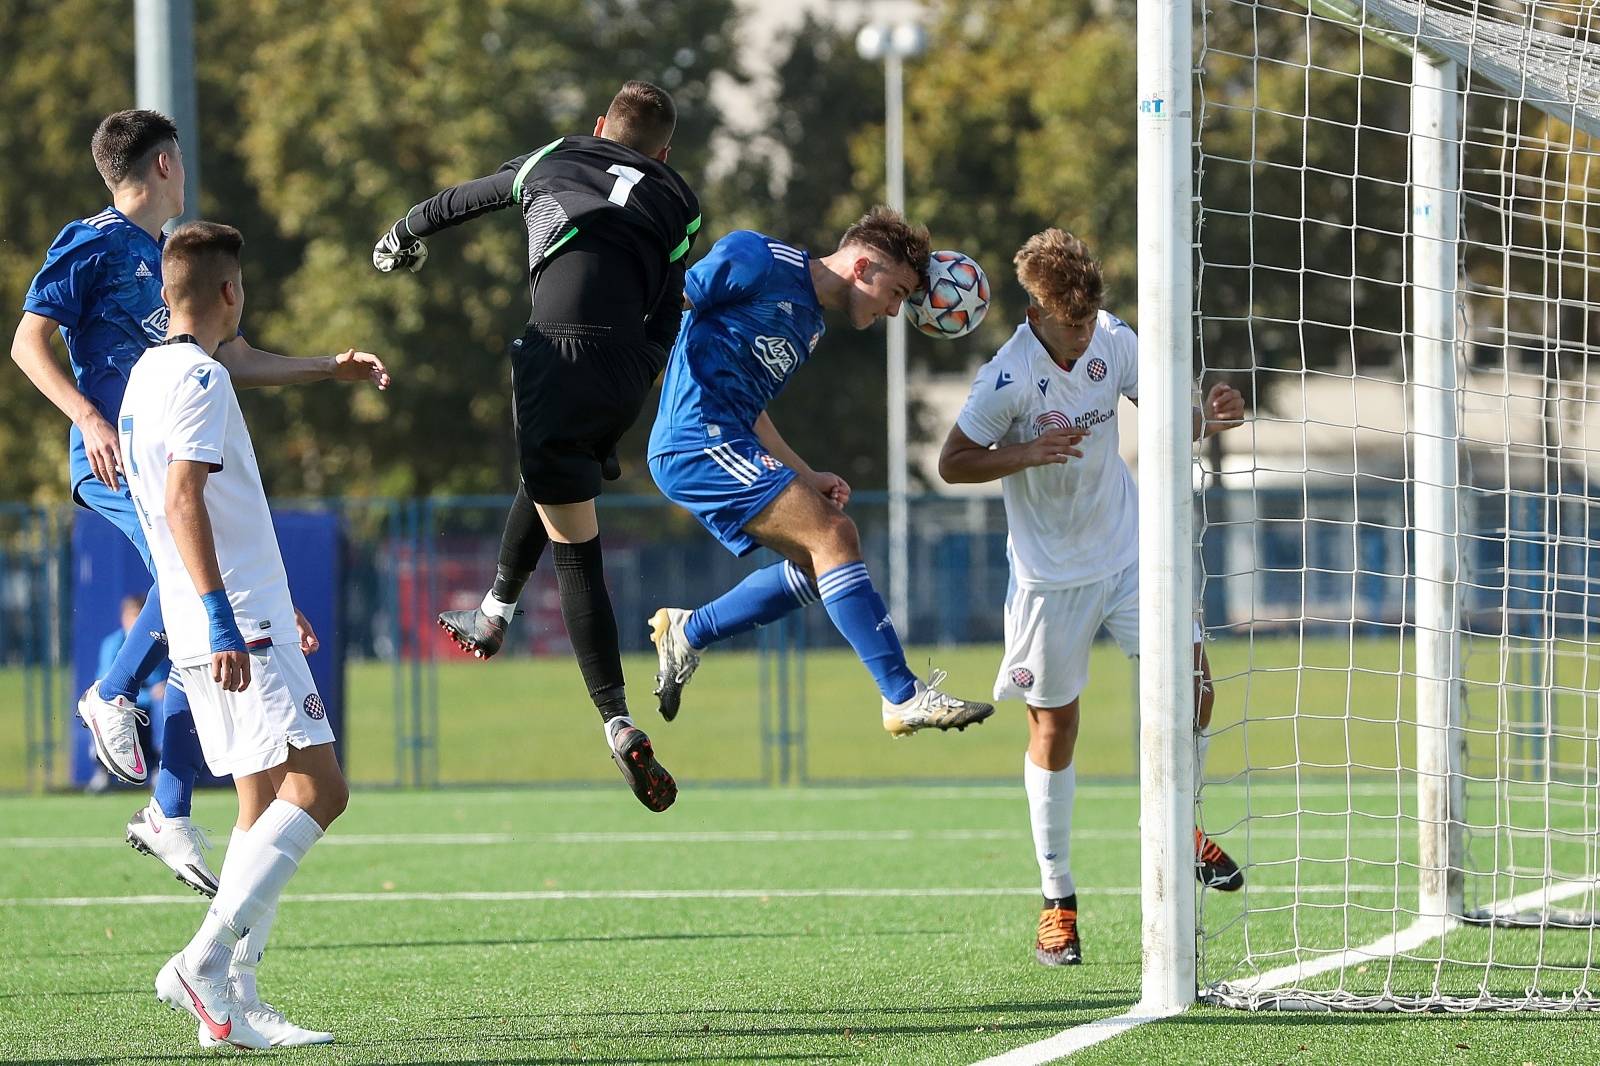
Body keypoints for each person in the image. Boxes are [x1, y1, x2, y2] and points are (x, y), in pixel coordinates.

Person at [10, 109, 388, 894]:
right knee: (188, 597)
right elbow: (26, 342)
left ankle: (169, 807)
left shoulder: (162, 260)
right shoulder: (91, 240)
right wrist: (88, 418)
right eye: (182, 160)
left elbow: (235, 355)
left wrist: (328, 368)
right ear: (164, 166)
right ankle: (111, 695)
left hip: (153, 455)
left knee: (194, 618)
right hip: (116, 459)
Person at [372, 80, 699, 812]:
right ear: (664, 151)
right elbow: (668, 306)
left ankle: (615, 720)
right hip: (623, 369)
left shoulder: (557, 154)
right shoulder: (680, 197)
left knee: (576, 547)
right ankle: (495, 612)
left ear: (598, 126)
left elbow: (467, 198)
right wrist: (642, 369)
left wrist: (402, 234)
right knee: (554, 481)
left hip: (555, 352)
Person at [936, 228, 1247, 968]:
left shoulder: (1114, 339)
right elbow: (953, 463)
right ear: (1037, 310)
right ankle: (1058, 902)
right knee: (1057, 730)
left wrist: (1212, 417)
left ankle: (1178, 826)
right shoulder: (1005, 378)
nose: (1080, 334)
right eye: (1068, 322)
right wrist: (1024, 452)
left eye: (1086, 321)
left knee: (1196, 686)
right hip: (1050, 577)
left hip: (1131, 552)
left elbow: (1175, 419)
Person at [644, 207, 994, 739]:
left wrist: (805, 474)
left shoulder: (808, 322)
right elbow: (667, 303)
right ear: (862, 266)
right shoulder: (757, 256)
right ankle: (903, 696)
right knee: (836, 534)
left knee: (821, 565)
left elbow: (751, 408)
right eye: (897, 292)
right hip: (696, 439)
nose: (897, 311)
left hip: (726, 436)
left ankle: (690, 630)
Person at [121, 221, 344, 1049]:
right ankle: (201, 962)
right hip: (230, 623)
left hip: (221, 617)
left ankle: (234, 1005)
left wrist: (261, 605)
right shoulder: (205, 380)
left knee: (259, 803)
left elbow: (199, 511)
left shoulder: (147, 374)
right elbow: (183, 502)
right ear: (229, 292)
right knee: (322, 790)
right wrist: (232, 614)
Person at [85, 594, 167, 793]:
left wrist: (157, 692)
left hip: (145, 707)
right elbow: (109, 686)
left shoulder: (156, 643)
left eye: (140, 617)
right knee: (96, 707)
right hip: (120, 704)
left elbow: (158, 684)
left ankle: (161, 768)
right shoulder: (112, 643)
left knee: (165, 702)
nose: (135, 622)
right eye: (131, 616)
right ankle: (102, 771)